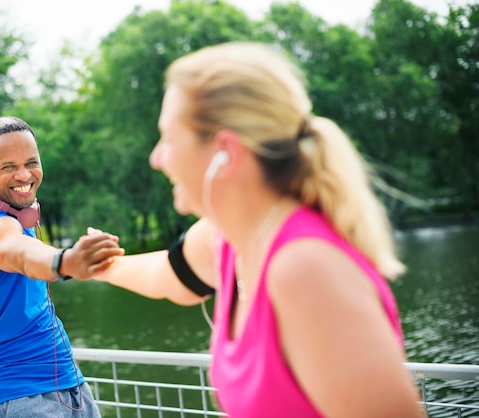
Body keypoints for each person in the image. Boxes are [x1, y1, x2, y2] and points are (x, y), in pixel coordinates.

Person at [92, 42, 424, 417]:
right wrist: (93, 264)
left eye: (168, 138)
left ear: (226, 152)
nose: (156, 158)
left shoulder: (307, 269)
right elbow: (166, 275)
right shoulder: (229, 238)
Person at [0, 116, 124, 418]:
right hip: (21, 398)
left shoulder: (19, 218)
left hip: (69, 383)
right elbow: (18, 253)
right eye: (9, 166)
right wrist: (67, 261)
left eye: (31, 162)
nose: (24, 175)